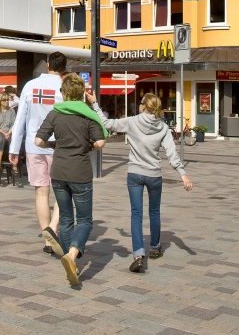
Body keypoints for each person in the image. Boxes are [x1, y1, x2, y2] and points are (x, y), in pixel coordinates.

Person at [102, 93, 192, 272]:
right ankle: (155, 247)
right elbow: (171, 154)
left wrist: (95, 104)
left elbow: (107, 123)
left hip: (135, 173)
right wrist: (183, 174)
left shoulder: (132, 121)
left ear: (143, 106)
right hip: (154, 175)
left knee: (136, 214)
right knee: (154, 211)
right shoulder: (164, 127)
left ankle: (138, 254)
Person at [35, 74, 107, 286]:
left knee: (66, 219)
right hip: (80, 173)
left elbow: (38, 140)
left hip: (58, 172)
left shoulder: (55, 113)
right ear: (81, 92)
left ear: (63, 93)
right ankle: (72, 255)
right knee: (84, 220)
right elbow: (101, 141)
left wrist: (53, 145)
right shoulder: (87, 115)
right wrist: (88, 146)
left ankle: (69, 260)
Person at [10, 52, 68, 256]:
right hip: (58, 145)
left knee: (41, 192)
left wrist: (13, 149)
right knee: (63, 190)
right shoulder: (64, 87)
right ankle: (53, 226)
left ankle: (47, 238)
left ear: (48, 65)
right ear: (64, 67)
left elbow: (20, 119)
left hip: (33, 145)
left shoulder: (30, 86)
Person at [0, 92, 16, 179]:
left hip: (9, 131)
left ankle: (14, 165)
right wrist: (3, 133)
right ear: (0, 101)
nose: (6, 102)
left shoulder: (12, 111)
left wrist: (9, 132)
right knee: (0, 140)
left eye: (7, 100)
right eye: (4, 100)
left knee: (14, 141)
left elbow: (14, 124)